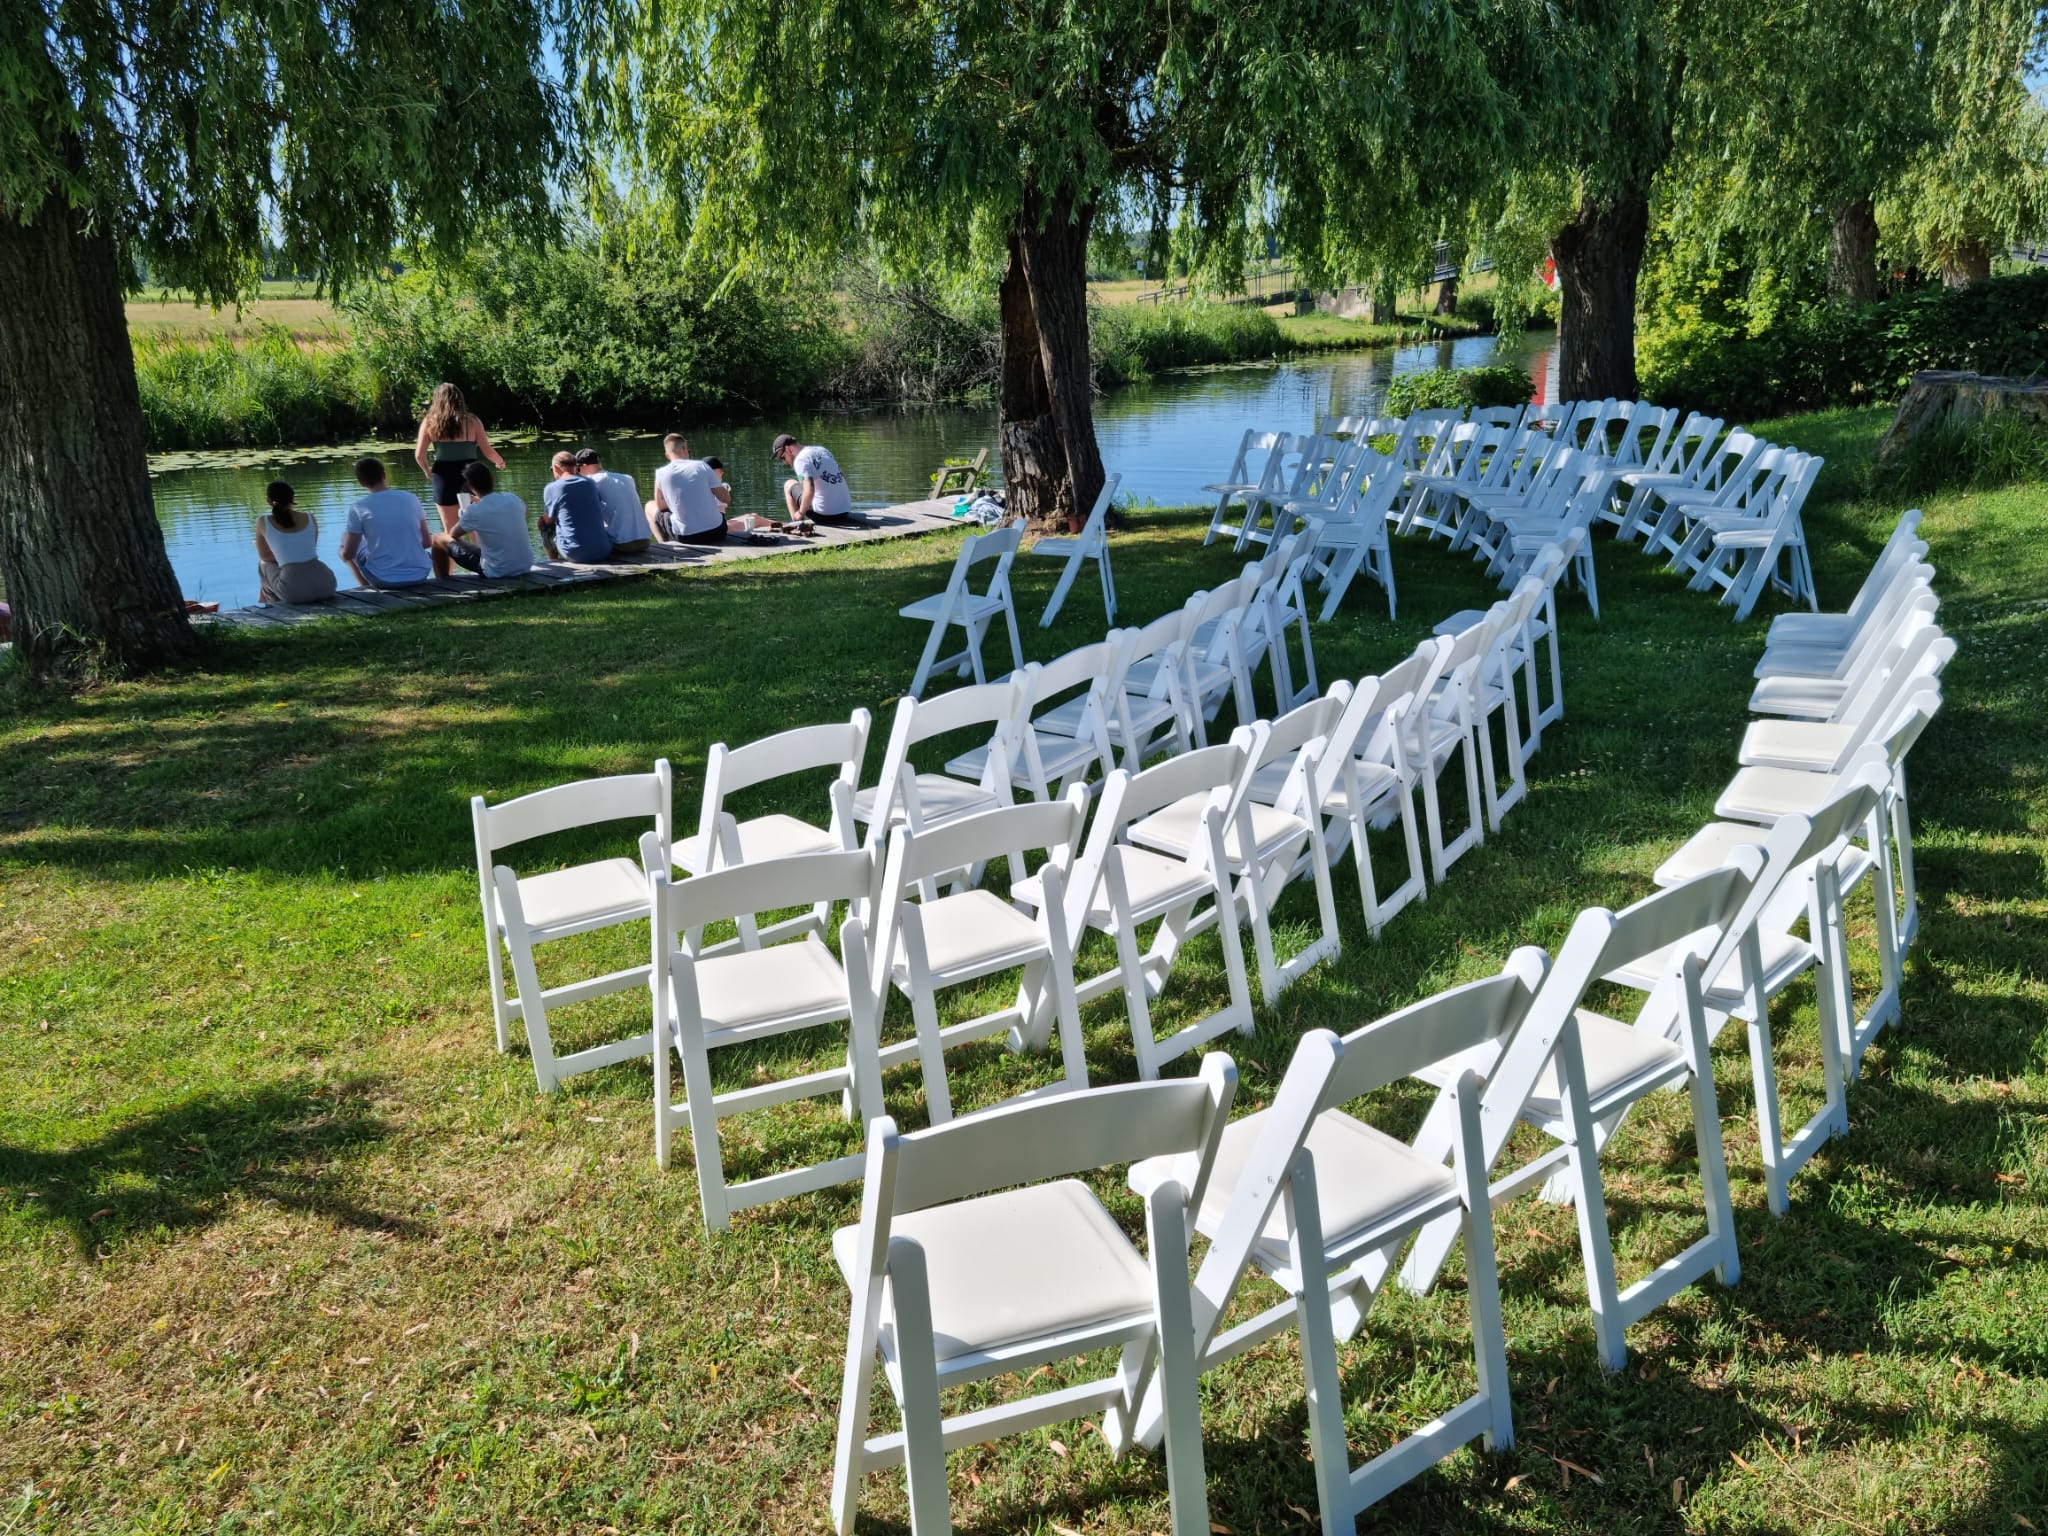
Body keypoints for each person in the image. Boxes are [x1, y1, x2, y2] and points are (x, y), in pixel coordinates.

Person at [413, 383, 506, 536]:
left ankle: (450, 560)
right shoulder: (472, 421)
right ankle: (482, 559)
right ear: (460, 399)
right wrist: (499, 461)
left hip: (443, 475)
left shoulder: (430, 421)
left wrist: (427, 471)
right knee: (476, 529)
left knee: (450, 532)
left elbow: (419, 455)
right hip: (470, 476)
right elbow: (487, 450)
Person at [648, 433, 769, 545]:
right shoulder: (702, 466)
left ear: (667, 455)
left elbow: (661, 508)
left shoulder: (661, 473)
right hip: (717, 531)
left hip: (686, 537)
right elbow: (726, 499)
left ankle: (663, 544)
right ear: (685, 448)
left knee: (650, 506)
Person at [339, 457, 434, 589]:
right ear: (384, 474)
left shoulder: (358, 507)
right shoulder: (410, 498)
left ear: (361, 482)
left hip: (384, 579)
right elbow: (427, 542)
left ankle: (365, 587)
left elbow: (349, 553)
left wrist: (343, 554)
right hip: (420, 574)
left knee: (345, 540)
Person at [431, 462, 535, 578]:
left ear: (470, 487)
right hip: (525, 565)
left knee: (438, 539)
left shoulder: (474, 511)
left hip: (497, 571)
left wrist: (465, 512)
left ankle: (442, 582)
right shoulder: (513, 499)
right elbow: (525, 514)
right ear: (492, 479)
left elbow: (453, 534)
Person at [255, 480, 339, 605]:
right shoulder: (310, 518)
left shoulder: (263, 521)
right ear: (293, 498)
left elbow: (265, 556)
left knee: (263, 564)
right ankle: (267, 602)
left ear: (268, 501)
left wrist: (281, 555)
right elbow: (306, 551)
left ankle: (270, 606)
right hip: (327, 585)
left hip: (294, 592)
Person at [539, 450, 614, 564]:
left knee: (545, 527)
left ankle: (555, 565)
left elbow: (548, 520)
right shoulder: (590, 483)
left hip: (576, 554)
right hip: (603, 550)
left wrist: (543, 520)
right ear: (575, 466)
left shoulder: (552, 488)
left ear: (555, 468)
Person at [573, 448, 650, 555]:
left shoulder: (590, 482)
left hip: (622, 545)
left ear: (584, 466)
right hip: (644, 541)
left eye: (578, 470)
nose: (578, 474)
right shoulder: (627, 478)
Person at [772, 433, 854, 523]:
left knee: (788, 484)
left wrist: (800, 513)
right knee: (803, 485)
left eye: (782, 457)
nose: (784, 462)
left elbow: (809, 490)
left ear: (788, 449)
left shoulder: (800, 460)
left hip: (825, 517)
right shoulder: (822, 450)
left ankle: (797, 524)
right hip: (844, 513)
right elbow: (843, 479)